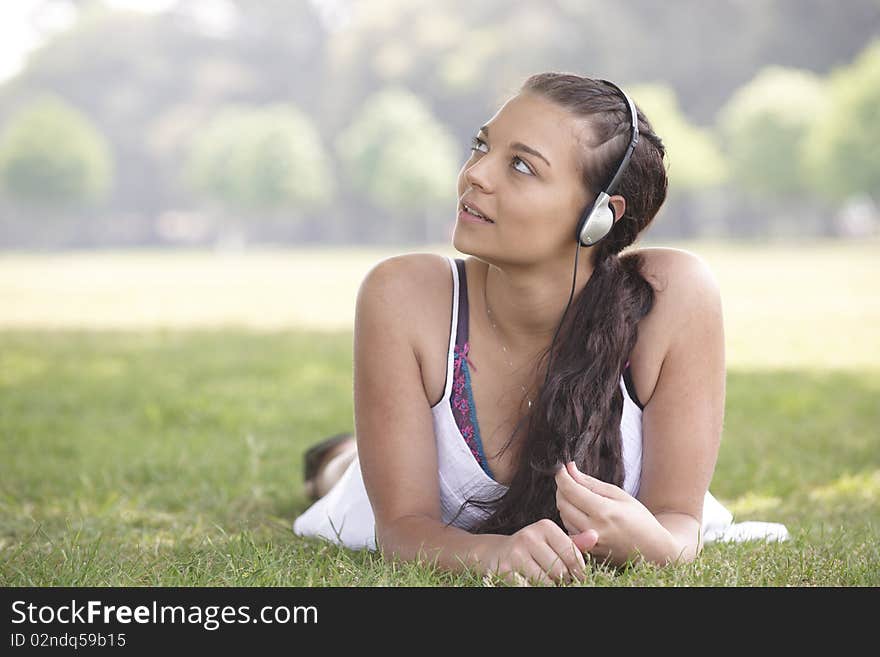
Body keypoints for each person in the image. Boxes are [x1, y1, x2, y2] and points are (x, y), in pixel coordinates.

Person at [293, 73, 788, 585]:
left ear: (598, 215)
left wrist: (655, 546)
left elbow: (681, 524)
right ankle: (342, 455)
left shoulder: (669, 296)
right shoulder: (402, 293)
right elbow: (401, 528)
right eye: (481, 146)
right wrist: (493, 556)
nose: (476, 174)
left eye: (522, 165)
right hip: (375, 491)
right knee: (342, 478)